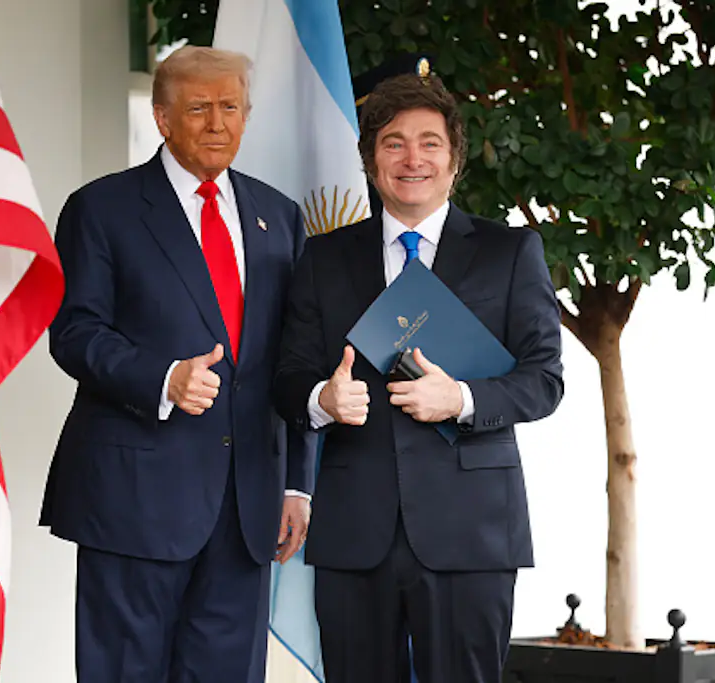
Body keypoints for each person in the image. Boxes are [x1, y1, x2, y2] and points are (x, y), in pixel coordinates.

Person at [273, 70, 564, 683]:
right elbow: (288, 377)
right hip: (356, 531)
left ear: (455, 159)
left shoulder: (510, 252)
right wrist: (321, 399)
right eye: (394, 143)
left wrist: (458, 397)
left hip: (470, 532)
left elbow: (544, 381)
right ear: (371, 160)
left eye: (430, 142)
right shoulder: (323, 258)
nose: (413, 159)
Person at [39, 46, 315, 682]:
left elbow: (293, 358)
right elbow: (74, 331)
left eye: (231, 107)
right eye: (199, 108)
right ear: (163, 119)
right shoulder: (101, 209)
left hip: (249, 505)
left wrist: (297, 483)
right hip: (134, 499)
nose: (218, 122)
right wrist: (161, 378)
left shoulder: (279, 216)